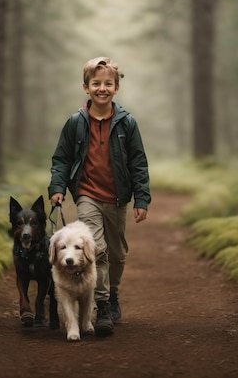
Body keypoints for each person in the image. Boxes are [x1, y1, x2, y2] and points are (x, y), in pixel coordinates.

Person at [48, 56, 151, 337]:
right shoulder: (75, 123)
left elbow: (138, 163)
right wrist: (57, 188)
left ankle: (112, 294)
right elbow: (62, 159)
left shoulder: (127, 123)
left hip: (118, 198)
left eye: (108, 83)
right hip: (87, 195)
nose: (102, 88)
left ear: (116, 88)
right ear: (86, 87)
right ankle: (102, 306)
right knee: (98, 250)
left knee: (117, 254)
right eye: (96, 83)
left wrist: (142, 199)